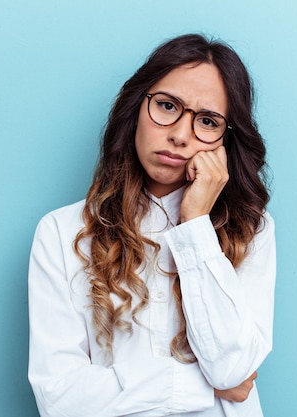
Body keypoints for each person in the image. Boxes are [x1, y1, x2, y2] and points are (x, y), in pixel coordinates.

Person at [28, 33, 276, 417]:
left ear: (225, 140)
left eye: (207, 121)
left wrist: (195, 226)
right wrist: (198, 386)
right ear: (136, 107)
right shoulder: (61, 232)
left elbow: (231, 367)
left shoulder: (251, 229)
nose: (179, 135)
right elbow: (58, 398)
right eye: (166, 105)